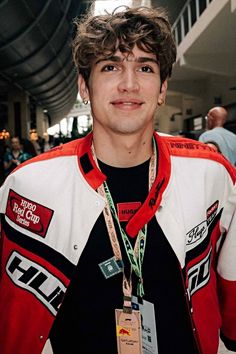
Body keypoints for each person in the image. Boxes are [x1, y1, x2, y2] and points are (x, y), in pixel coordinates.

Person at [0, 5, 235, 354]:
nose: (129, 83)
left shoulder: (211, 173)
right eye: (110, 66)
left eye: (145, 67)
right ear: (84, 85)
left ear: (162, 88)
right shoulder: (29, 187)